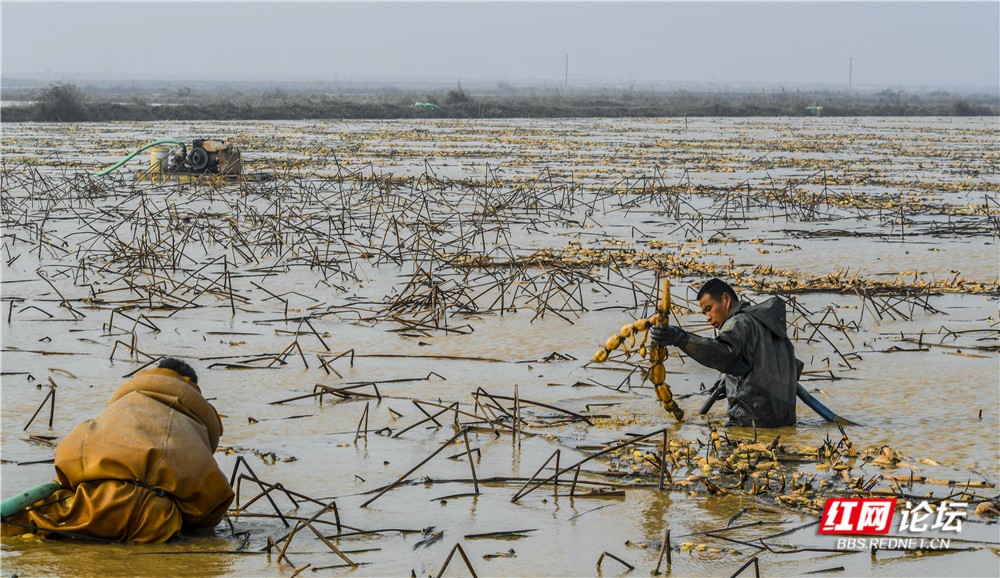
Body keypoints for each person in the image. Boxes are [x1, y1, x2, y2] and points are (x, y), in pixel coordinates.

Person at [3, 358, 234, 543]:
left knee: (31, 516)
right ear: (194, 390)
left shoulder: (121, 409)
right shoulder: (192, 429)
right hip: (154, 525)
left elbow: (68, 456)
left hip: (91, 510)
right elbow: (211, 505)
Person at [651, 279, 800, 427]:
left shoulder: (739, 322)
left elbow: (722, 352)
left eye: (709, 308)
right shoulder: (770, 327)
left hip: (750, 423)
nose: (708, 318)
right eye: (704, 313)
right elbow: (786, 368)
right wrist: (730, 381)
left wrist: (679, 338)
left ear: (726, 299)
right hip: (786, 423)